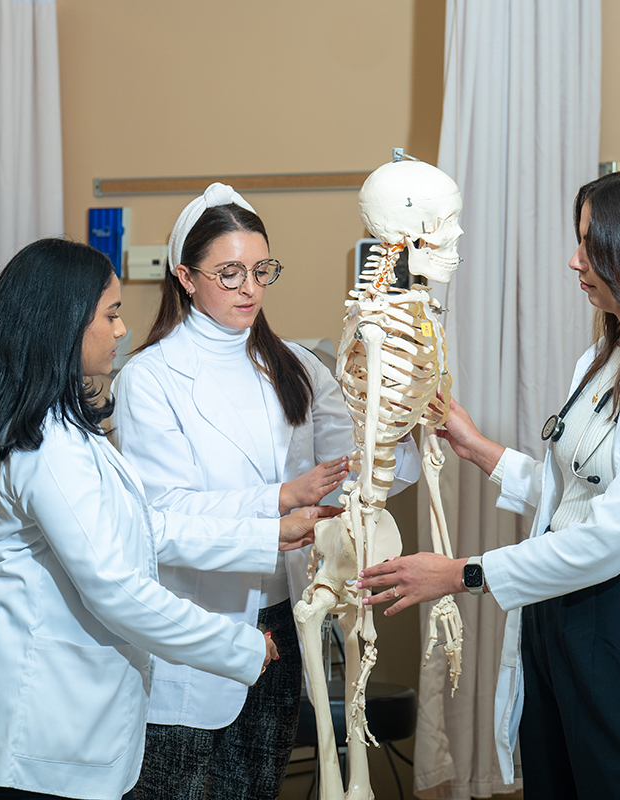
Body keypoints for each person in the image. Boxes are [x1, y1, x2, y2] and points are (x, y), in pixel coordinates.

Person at [357, 164, 620, 800]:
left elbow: (614, 534)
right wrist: (482, 452)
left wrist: (463, 573)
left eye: (589, 246)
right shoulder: (606, 358)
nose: (574, 261)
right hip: (559, 615)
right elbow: (577, 492)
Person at [0, 238, 335, 800]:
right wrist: (238, 646)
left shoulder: (67, 431)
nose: (120, 330)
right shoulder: (49, 448)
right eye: (110, 314)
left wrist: (266, 533)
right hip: (42, 718)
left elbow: (146, 527)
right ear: (62, 324)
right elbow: (116, 588)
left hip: (71, 715)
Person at [111, 183, 420, 800]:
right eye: (229, 273)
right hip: (193, 626)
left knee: (257, 786)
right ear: (185, 276)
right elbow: (161, 515)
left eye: (260, 270)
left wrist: (400, 413)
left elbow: (360, 467)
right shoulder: (149, 378)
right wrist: (277, 499)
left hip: (283, 622)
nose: (249, 287)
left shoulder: (297, 367)